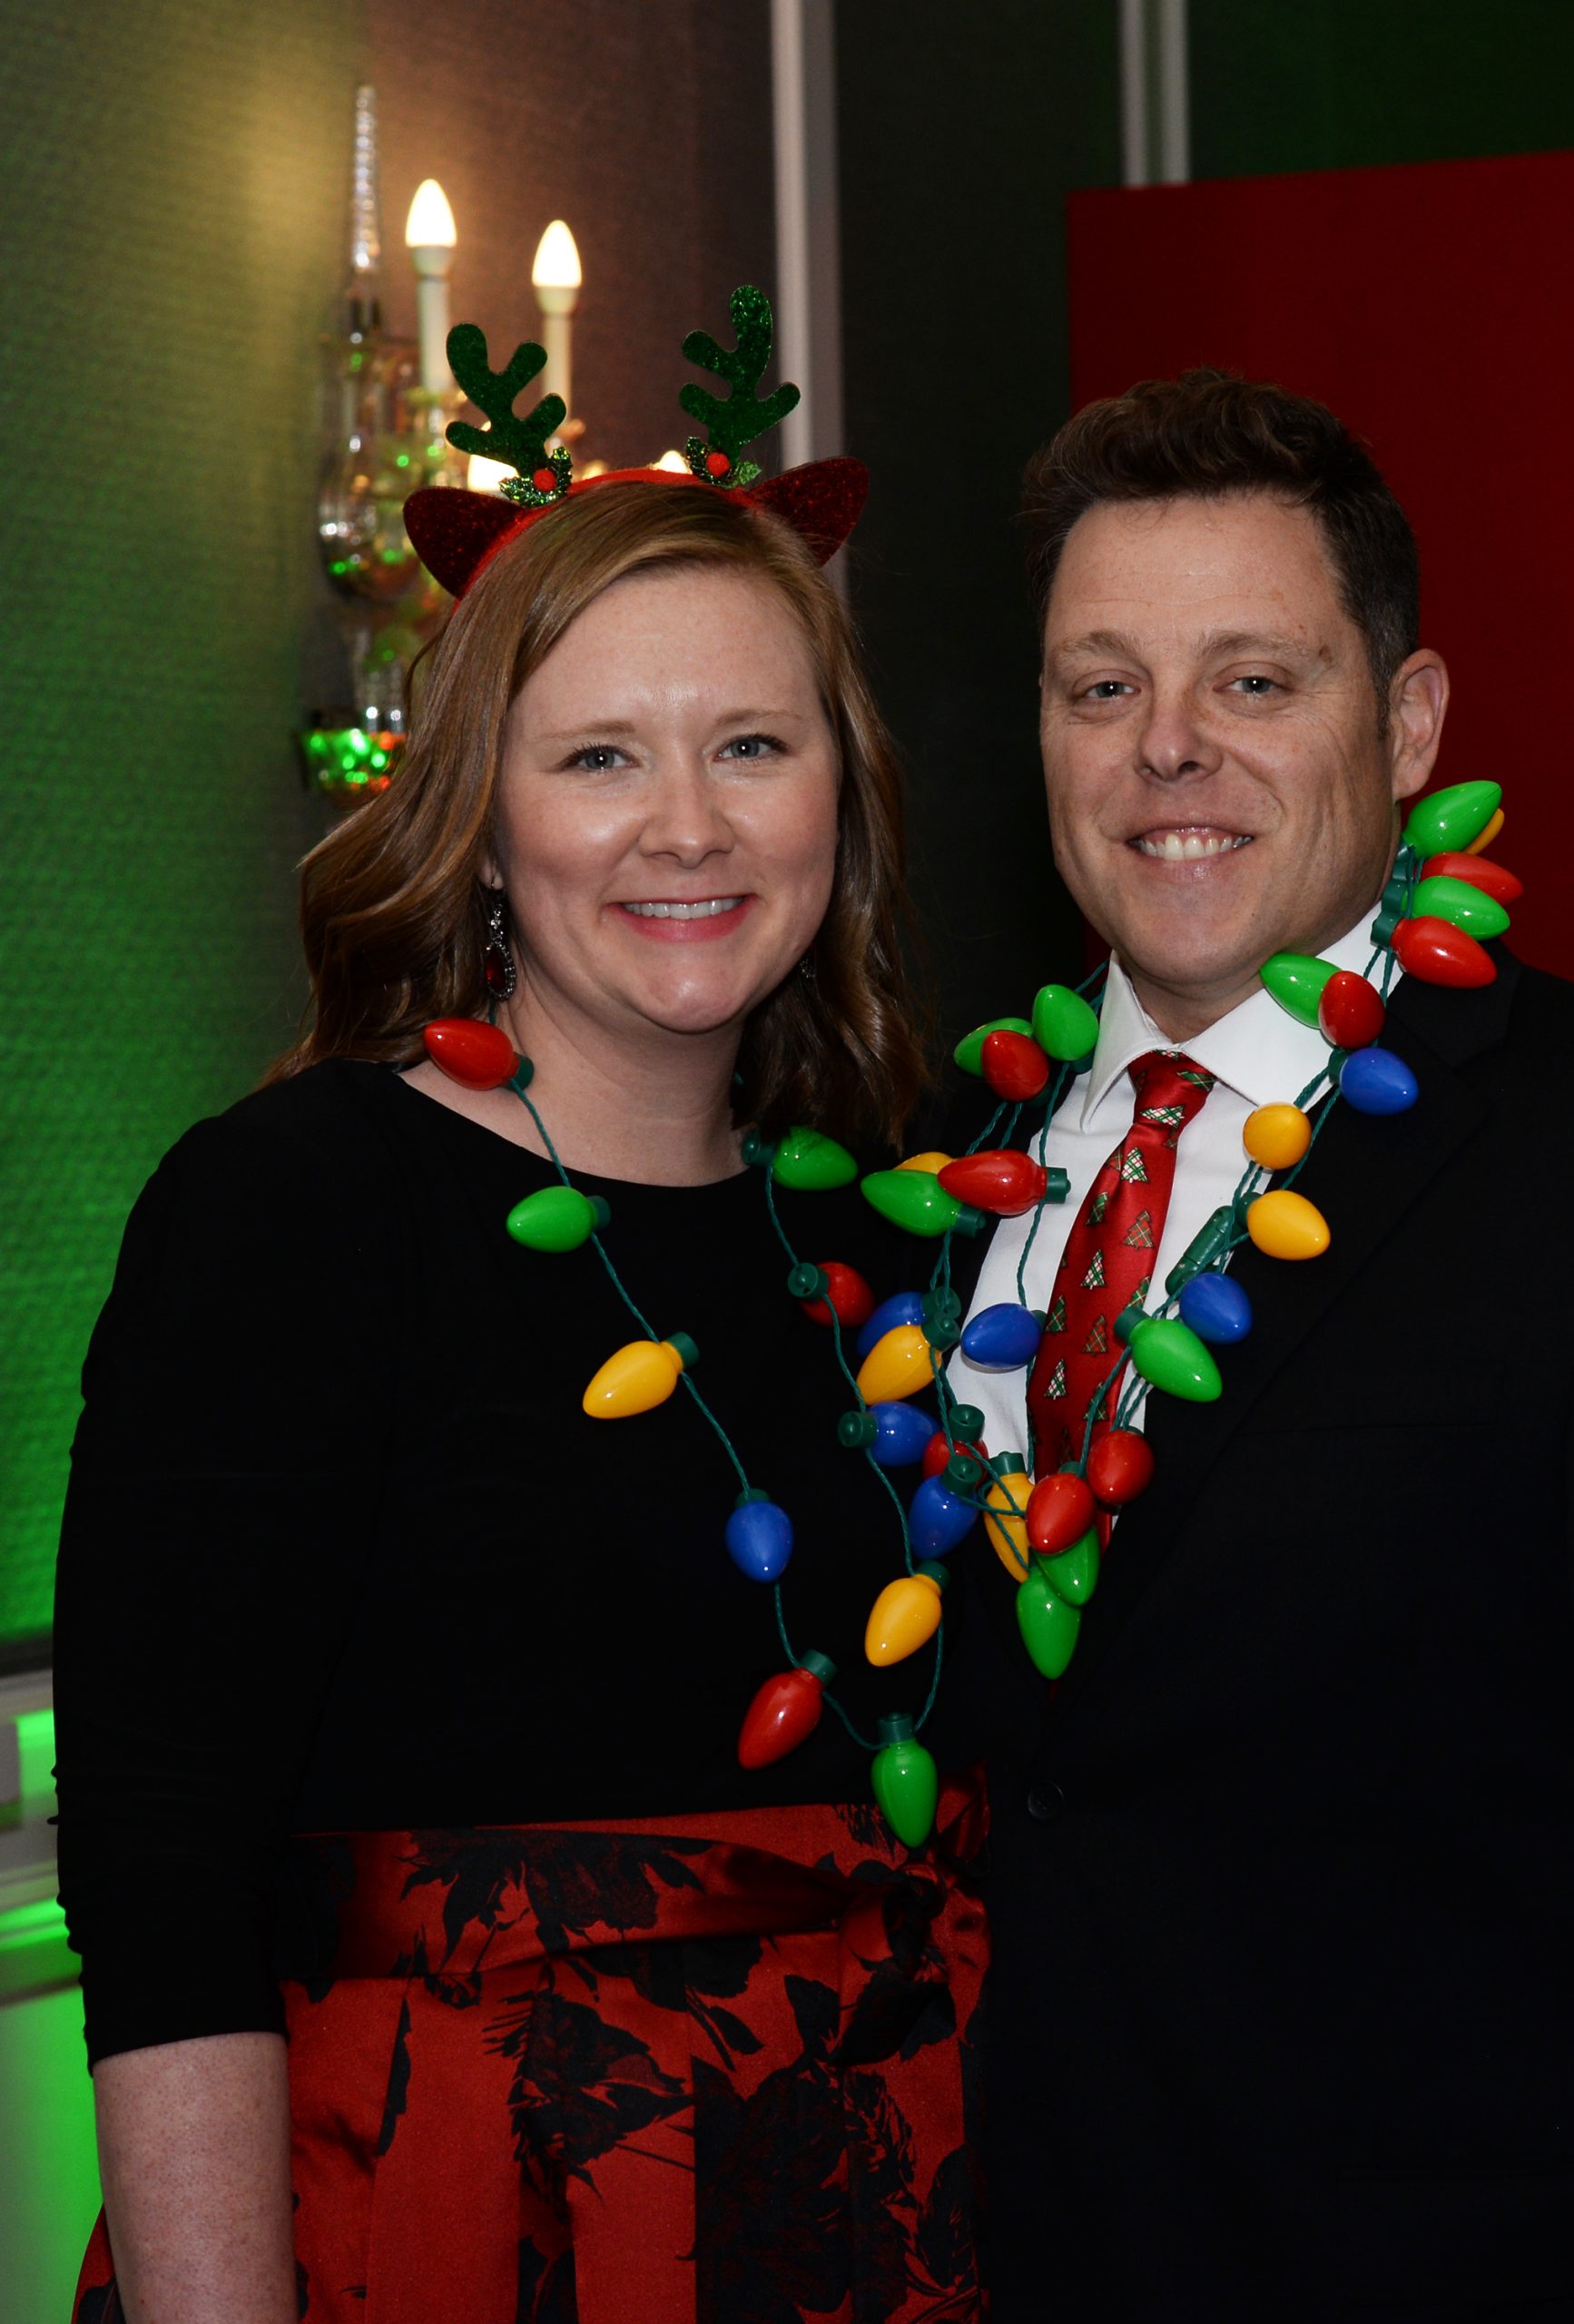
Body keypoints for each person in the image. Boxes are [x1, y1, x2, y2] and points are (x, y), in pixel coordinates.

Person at [57, 302, 987, 2324]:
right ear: (482, 813)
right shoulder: (294, 1209)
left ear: (841, 794)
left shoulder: (894, 1231)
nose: (688, 824)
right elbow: (162, 1867)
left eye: (753, 744)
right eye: (598, 756)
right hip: (454, 2217)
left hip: (869, 2218)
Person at [925, 369, 1574, 2319]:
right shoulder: (934, 1180)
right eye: (1102, 687)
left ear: (1410, 721)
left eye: (1254, 680)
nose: (1166, 748)